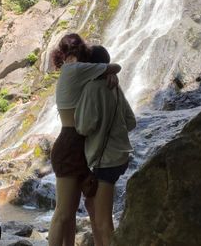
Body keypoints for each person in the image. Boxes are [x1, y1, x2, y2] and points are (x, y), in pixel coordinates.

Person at [48, 34, 121, 246]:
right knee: (63, 212)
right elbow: (114, 66)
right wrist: (109, 73)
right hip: (71, 144)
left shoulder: (74, 71)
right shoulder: (76, 69)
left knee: (68, 214)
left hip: (81, 146)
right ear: (80, 51)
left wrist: (103, 76)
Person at [75, 45, 136, 246]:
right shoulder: (115, 86)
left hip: (105, 162)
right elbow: (131, 122)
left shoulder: (92, 88)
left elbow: (83, 127)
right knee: (92, 207)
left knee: (103, 222)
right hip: (121, 156)